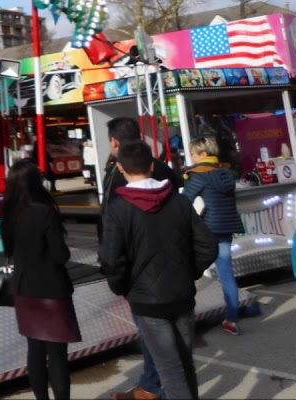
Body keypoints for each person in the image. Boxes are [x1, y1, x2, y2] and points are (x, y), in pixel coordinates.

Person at [100, 141, 217, 400]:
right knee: (184, 364)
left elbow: (110, 259)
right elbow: (208, 246)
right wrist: (190, 272)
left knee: (170, 369)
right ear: (152, 166)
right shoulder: (179, 201)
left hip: (146, 300)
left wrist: (122, 287)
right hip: (182, 294)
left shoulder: (118, 209)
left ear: (120, 168)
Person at [98, 119, 184, 400]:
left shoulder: (119, 174)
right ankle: (151, 384)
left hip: (140, 271)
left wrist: (117, 279)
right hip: (173, 267)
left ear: (114, 142)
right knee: (171, 342)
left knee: (153, 335)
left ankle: (152, 387)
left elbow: (112, 237)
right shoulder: (160, 169)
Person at [0, 158, 82, 400]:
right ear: (36, 184)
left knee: (34, 352)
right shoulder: (44, 212)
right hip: (51, 290)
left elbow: (8, 250)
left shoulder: (7, 213)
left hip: (24, 289)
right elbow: (60, 255)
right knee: (56, 356)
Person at [181, 135, 246, 335]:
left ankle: (185, 321)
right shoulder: (225, 172)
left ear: (203, 154)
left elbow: (183, 202)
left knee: (187, 271)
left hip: (206, 230)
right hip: (226, 228)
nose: (190, 156)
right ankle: (232, 319)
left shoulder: (198, 174)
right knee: (227, 274)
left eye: (192, 153)